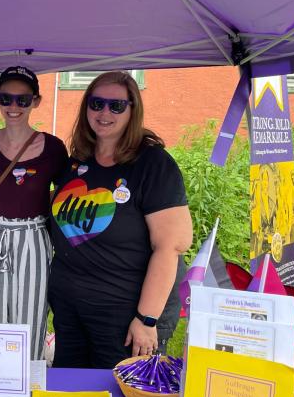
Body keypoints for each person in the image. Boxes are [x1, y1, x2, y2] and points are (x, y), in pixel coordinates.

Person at [48, 71, 193, 368]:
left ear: (132, 109)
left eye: (116, 106)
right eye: (96, 103)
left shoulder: (153, 164)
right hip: (70, 310)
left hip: (124, 316)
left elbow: (171, 247)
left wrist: (146, 318)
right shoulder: (78, 160)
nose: (104, 112)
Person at [0, 66, 68, 360]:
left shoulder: (53, 147)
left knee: (31, 317)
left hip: (32, 237)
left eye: (23, 100)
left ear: (36, 101)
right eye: (6, 98)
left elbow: (64, 196)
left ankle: (28, 385)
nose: (14, 107)